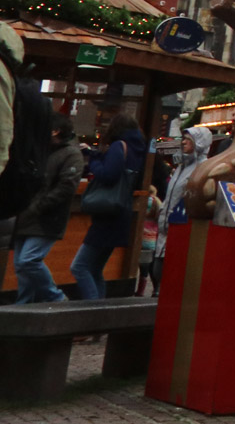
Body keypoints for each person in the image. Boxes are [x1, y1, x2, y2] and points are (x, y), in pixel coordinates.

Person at [73, 114, 145, 300]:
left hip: (107, 216)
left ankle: (92, 315)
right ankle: (100, 317)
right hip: (121, 212)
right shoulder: (135, 149)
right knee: (96, 269)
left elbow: (108, 174)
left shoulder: (117, 146)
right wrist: (95, 153)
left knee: (79, 267)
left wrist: (93, 162)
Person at [13, 116, 84, 303]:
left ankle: (57, 299)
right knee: (21, 265)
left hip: (47, 218)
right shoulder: (43, 151)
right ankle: (24, 305)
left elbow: (67, 187)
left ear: (55, 131)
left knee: (28, 260)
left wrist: (37, 206)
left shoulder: (71, 154)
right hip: (28, 214)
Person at [154, 124, 212, 288]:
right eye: (183, 139)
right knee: (158, 272)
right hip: (165, 230)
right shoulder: (181, 167)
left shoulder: (202, 169)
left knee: (169, 277)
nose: (183, 142)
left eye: (188, 139)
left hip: (181, 232)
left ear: (199, 143)